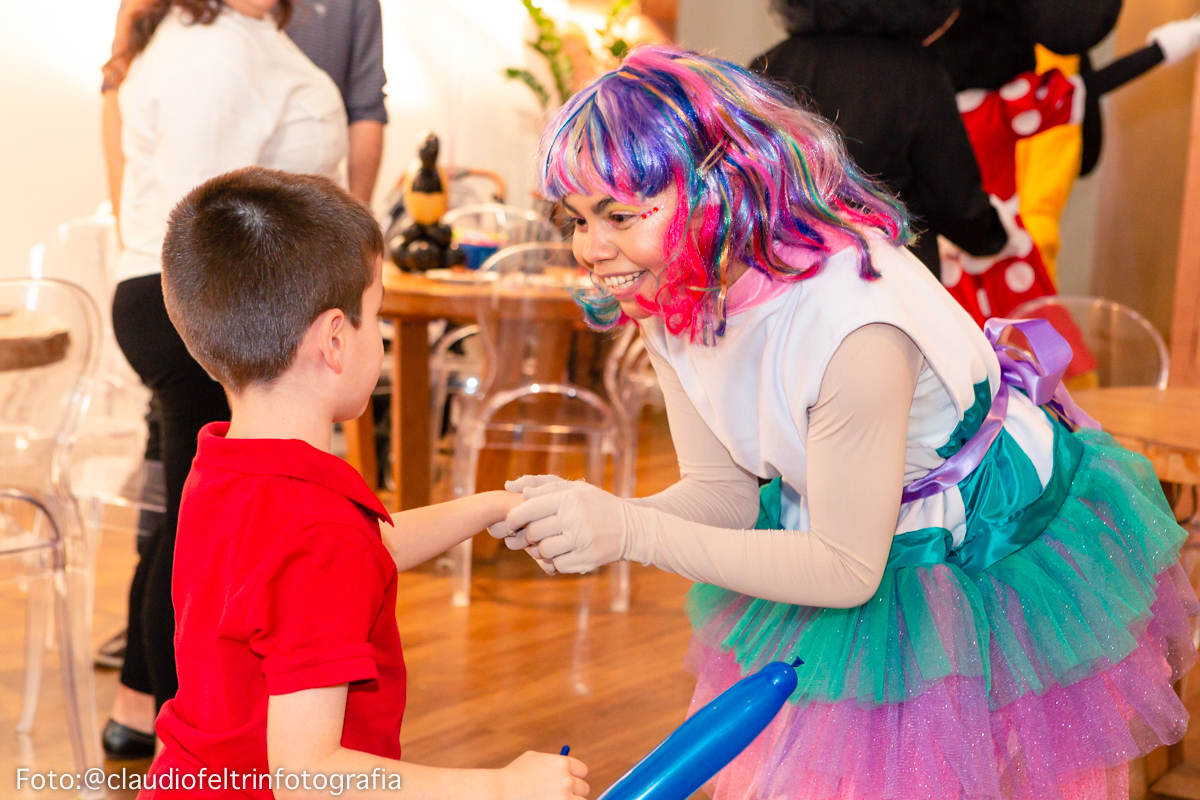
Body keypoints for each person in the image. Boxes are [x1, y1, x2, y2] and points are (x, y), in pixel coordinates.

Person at [492, 46, 1198, 800]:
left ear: (718, 190)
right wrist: (601, 519)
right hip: (841, 525)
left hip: (981, 547)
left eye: (618, 215)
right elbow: (722, 493)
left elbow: (844, 569)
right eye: (577, 219)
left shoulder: (851, 322)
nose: (590, 249)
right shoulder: (674, 288)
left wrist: (629, 531)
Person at [137, 166, 589, 800]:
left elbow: (364, 552)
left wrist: (490, 507)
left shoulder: (225, 463)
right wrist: (499, 788)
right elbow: (306, 774)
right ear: (334, 339)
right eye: (376, 316)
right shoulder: (316, 528)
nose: (379, 336)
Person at [101, 0, 350, 760]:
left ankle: (141, 705)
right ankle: (183, 735)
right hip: (213, 306)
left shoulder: (227, 37)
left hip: (202, 302)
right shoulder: (212, 51)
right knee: (203, 525)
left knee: (191, 515)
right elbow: (201, 223)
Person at [752, 0, 1008, 279]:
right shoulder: (917, 74)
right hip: (886, 276)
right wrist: (992, 237)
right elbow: (955, 201)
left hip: (786, 273)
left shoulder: (772, 64)